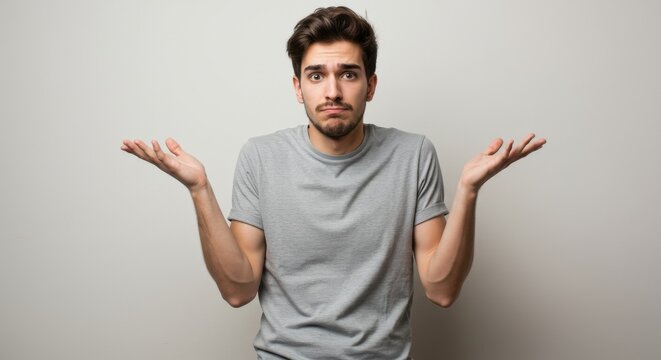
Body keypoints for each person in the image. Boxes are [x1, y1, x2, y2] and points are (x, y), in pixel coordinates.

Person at [121, 6, 546, 359]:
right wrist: (200, 191)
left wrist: (468, 191)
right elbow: (238, 289)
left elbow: (442, 288)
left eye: (348, 74)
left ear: (371, 85)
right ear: (297, 87)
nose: (333, 92)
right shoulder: (260, 157)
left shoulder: (413, 155)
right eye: (316, 75)